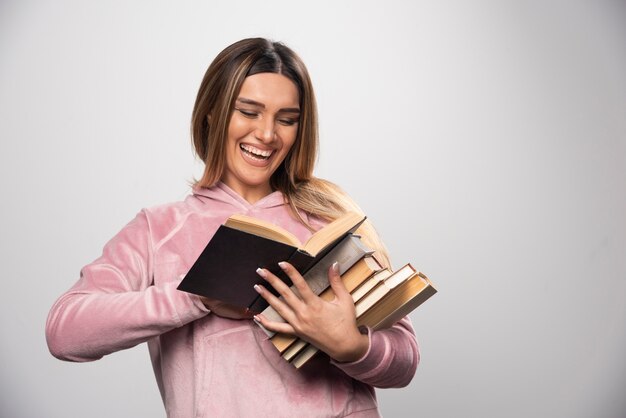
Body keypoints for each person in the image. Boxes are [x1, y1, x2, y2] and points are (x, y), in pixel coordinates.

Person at [46, 38, 419, 417]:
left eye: (287, 119)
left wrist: (351, 346)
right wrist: (196, 298)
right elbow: (65, 333)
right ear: (213, 113)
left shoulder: (331, 220)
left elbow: (406, 358)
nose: (267, 134)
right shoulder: (159, 230)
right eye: (249, 112)